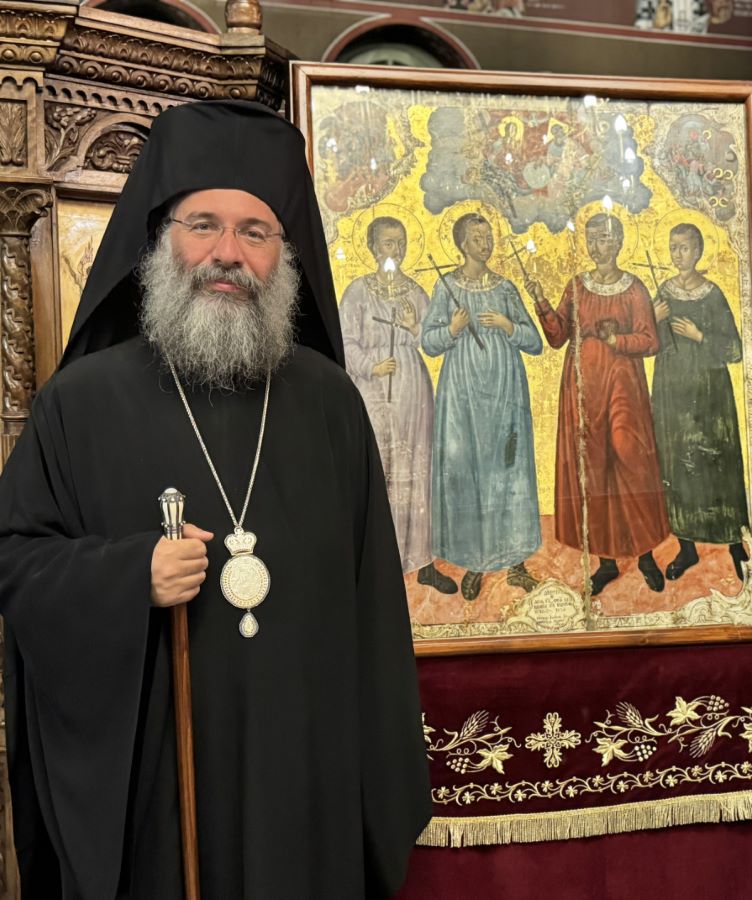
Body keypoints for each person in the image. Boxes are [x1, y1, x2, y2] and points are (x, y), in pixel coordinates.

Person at [0, 100, 431, 899]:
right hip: (157, 796)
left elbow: (375, 613)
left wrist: (378, 787)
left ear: (285, 255)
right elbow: (16, 561)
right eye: (203, 225)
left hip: (305, 787)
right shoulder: (80, 404)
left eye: (254, 232)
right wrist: (129, 575)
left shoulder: (331, 405)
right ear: (161, 239)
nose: (227, 254)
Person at [527, 213, 670, 595]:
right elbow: (558, 336)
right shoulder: (577, 286)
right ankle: (606, 562)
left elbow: (651, 341)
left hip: (623, 387)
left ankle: (645, 555)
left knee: (631, 461)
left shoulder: (634, 289)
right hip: (583, 389)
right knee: (593, 468)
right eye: (591, 239)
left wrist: (616, 341)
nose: (597, 246)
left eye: (604, 238)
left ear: (618, 242)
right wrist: (541, 301)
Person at [421, 211, 542, 601]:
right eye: (477, 238)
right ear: (462, 244)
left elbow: (534, 342)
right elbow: (429, 343)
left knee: (509, 471)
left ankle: (516, 563)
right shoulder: (446, 287)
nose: (485, 244)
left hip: (506, 391)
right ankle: (475, 562)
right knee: (470, 471)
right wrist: (453, 329)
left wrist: (508, 326)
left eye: (488, 237)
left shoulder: (505, 288)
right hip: (463, 395)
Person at [340, 215, 455, 593]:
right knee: (380, 470)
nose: (396, 250)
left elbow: (432, 342)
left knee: (417, 471)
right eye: (389, 242)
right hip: (372, 391)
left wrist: (413, 326)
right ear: (373, 247)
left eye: (401, 242)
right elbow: (346, 342)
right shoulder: (358, 292)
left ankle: (422, 561)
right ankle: (377, 563)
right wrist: (371, 366)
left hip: (412, 392)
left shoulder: (416, 293)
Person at [650, 222, 749, 581]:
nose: (678, 254)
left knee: (718, 465)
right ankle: (686, 547)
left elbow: (734, 349)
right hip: (672, 394)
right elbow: (651, 344)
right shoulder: (664, 291)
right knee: (677, 466)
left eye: (685, 247)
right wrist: (653, 319)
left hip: (710, 397)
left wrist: (699, 335)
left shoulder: (713, 294)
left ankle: (735, 544)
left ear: (698, 251)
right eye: (673, 247)